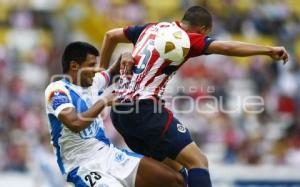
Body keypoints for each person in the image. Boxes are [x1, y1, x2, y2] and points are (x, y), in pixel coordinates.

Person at [99, 5, 289, 187]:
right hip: (145, 110)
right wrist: (269, 50)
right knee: (198, 162)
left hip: (119, 113)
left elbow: (110, 35)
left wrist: (102, 76)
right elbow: (227, 48)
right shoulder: (186, 38)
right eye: (206, 34)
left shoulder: (151, 28)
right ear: (202, 29)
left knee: (177, 176)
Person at [44, 41, 185, 187]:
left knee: (175, 181)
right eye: (91, 65)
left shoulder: (93, 82)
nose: (96, 70)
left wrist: (125, 55)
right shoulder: (57, 90)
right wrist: (103, 101)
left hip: (108, 155)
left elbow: (113, 70)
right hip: (81, 166)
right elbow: (74, 124)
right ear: (74, 66)